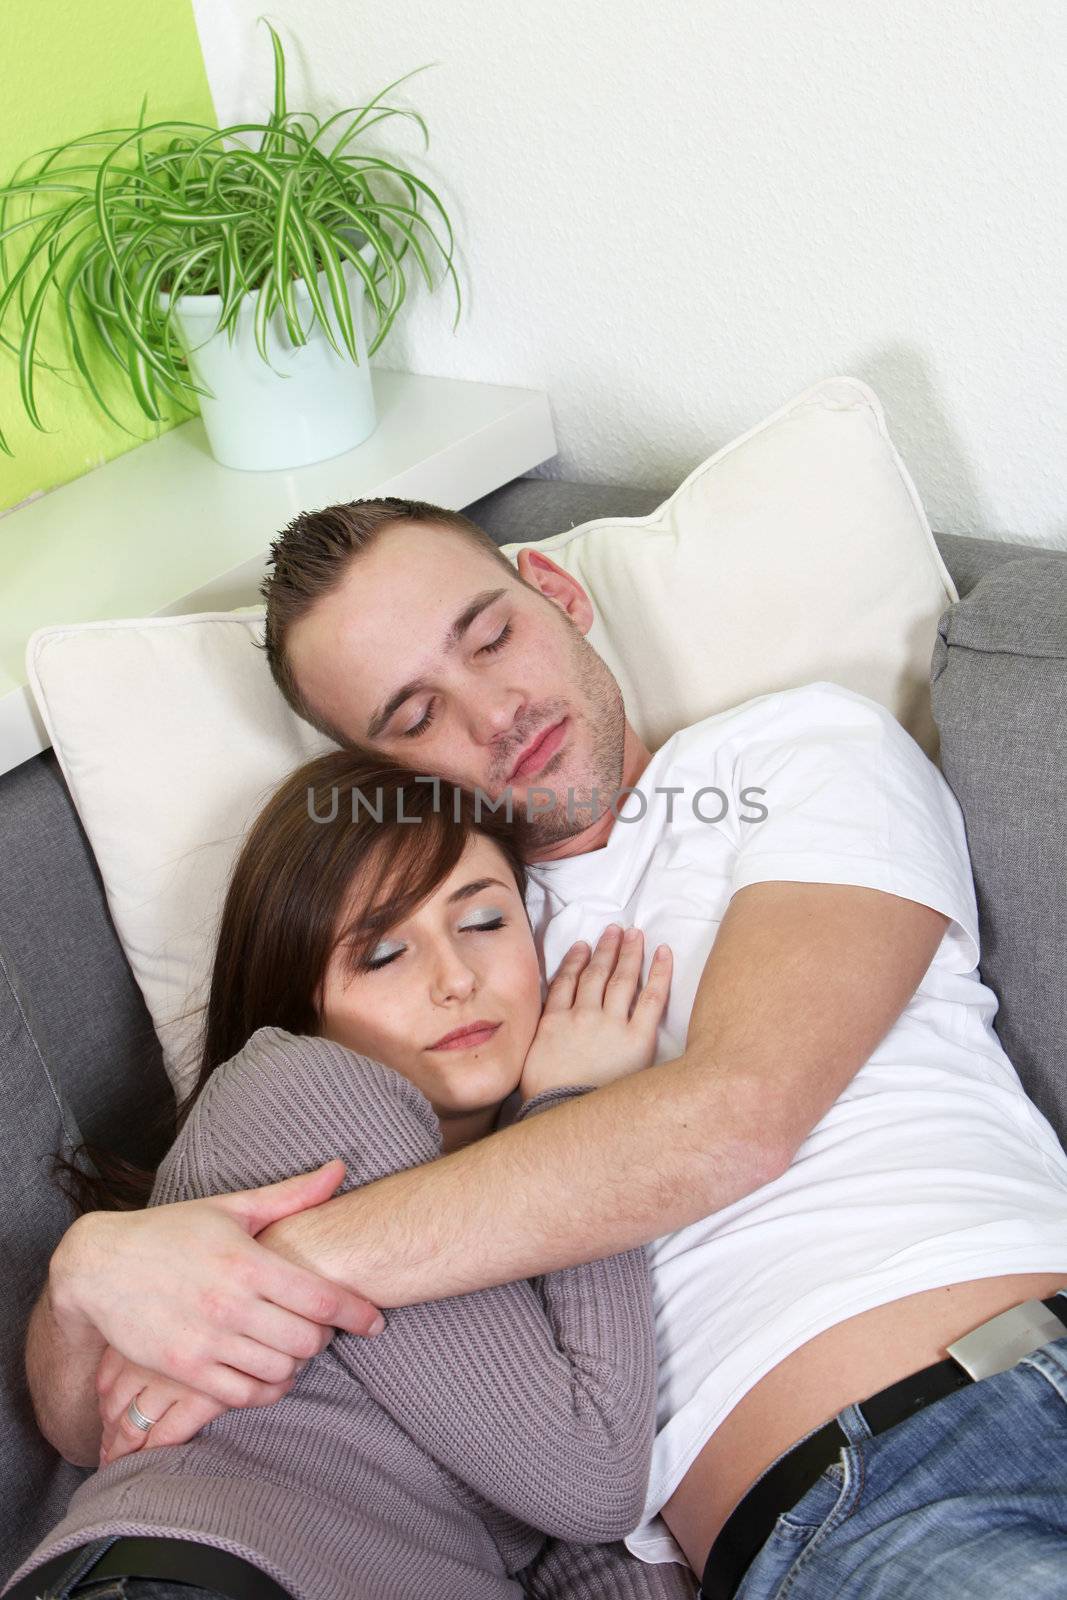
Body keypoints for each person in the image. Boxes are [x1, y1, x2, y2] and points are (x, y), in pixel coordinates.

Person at [25, 497, 1067, 1600]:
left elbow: (735, 1115)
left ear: (555, 593)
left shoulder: (793, 754)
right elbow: (98, 1416)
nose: (495, 713)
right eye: (418, 714)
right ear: (381, 770)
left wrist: (262, 1275)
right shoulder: (438, 982)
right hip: (851, 1505)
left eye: (489, 636)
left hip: (1013, 1379)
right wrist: (85, 1280)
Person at [7, 751, 694, 1600]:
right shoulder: (299, 1091)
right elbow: (589, 1474)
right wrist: (585, 1112)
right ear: (301, 996)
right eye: (382, 953)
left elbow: (547, 1530)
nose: (456, 981)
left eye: (483, 922)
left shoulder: (483, 1184)